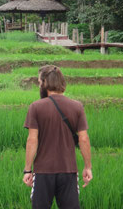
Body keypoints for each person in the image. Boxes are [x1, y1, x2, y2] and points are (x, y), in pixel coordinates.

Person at [22, 65, 92, 209]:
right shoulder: (77, 106)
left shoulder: (36, 107)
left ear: (45, 83)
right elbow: (83, 139)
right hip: (68, 171)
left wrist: (28, 169)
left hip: (43, 171)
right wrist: (87, 167)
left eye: (39, 83)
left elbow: (32, 140)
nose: (39, 86)